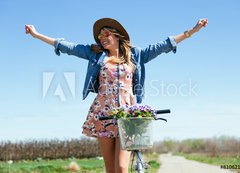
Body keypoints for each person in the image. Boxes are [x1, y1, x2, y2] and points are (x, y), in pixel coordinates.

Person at [25, 17, 208, 173]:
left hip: (127, 116)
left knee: (121, 167)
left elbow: (164, 45)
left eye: (106, 34)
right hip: (103, 114)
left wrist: (193, 30)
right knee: (111, 170)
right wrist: (37, 35)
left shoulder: (136, 55)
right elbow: (67, 47)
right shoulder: (95, 55)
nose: (102, 38)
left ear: (117, 36)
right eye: (100, 35)